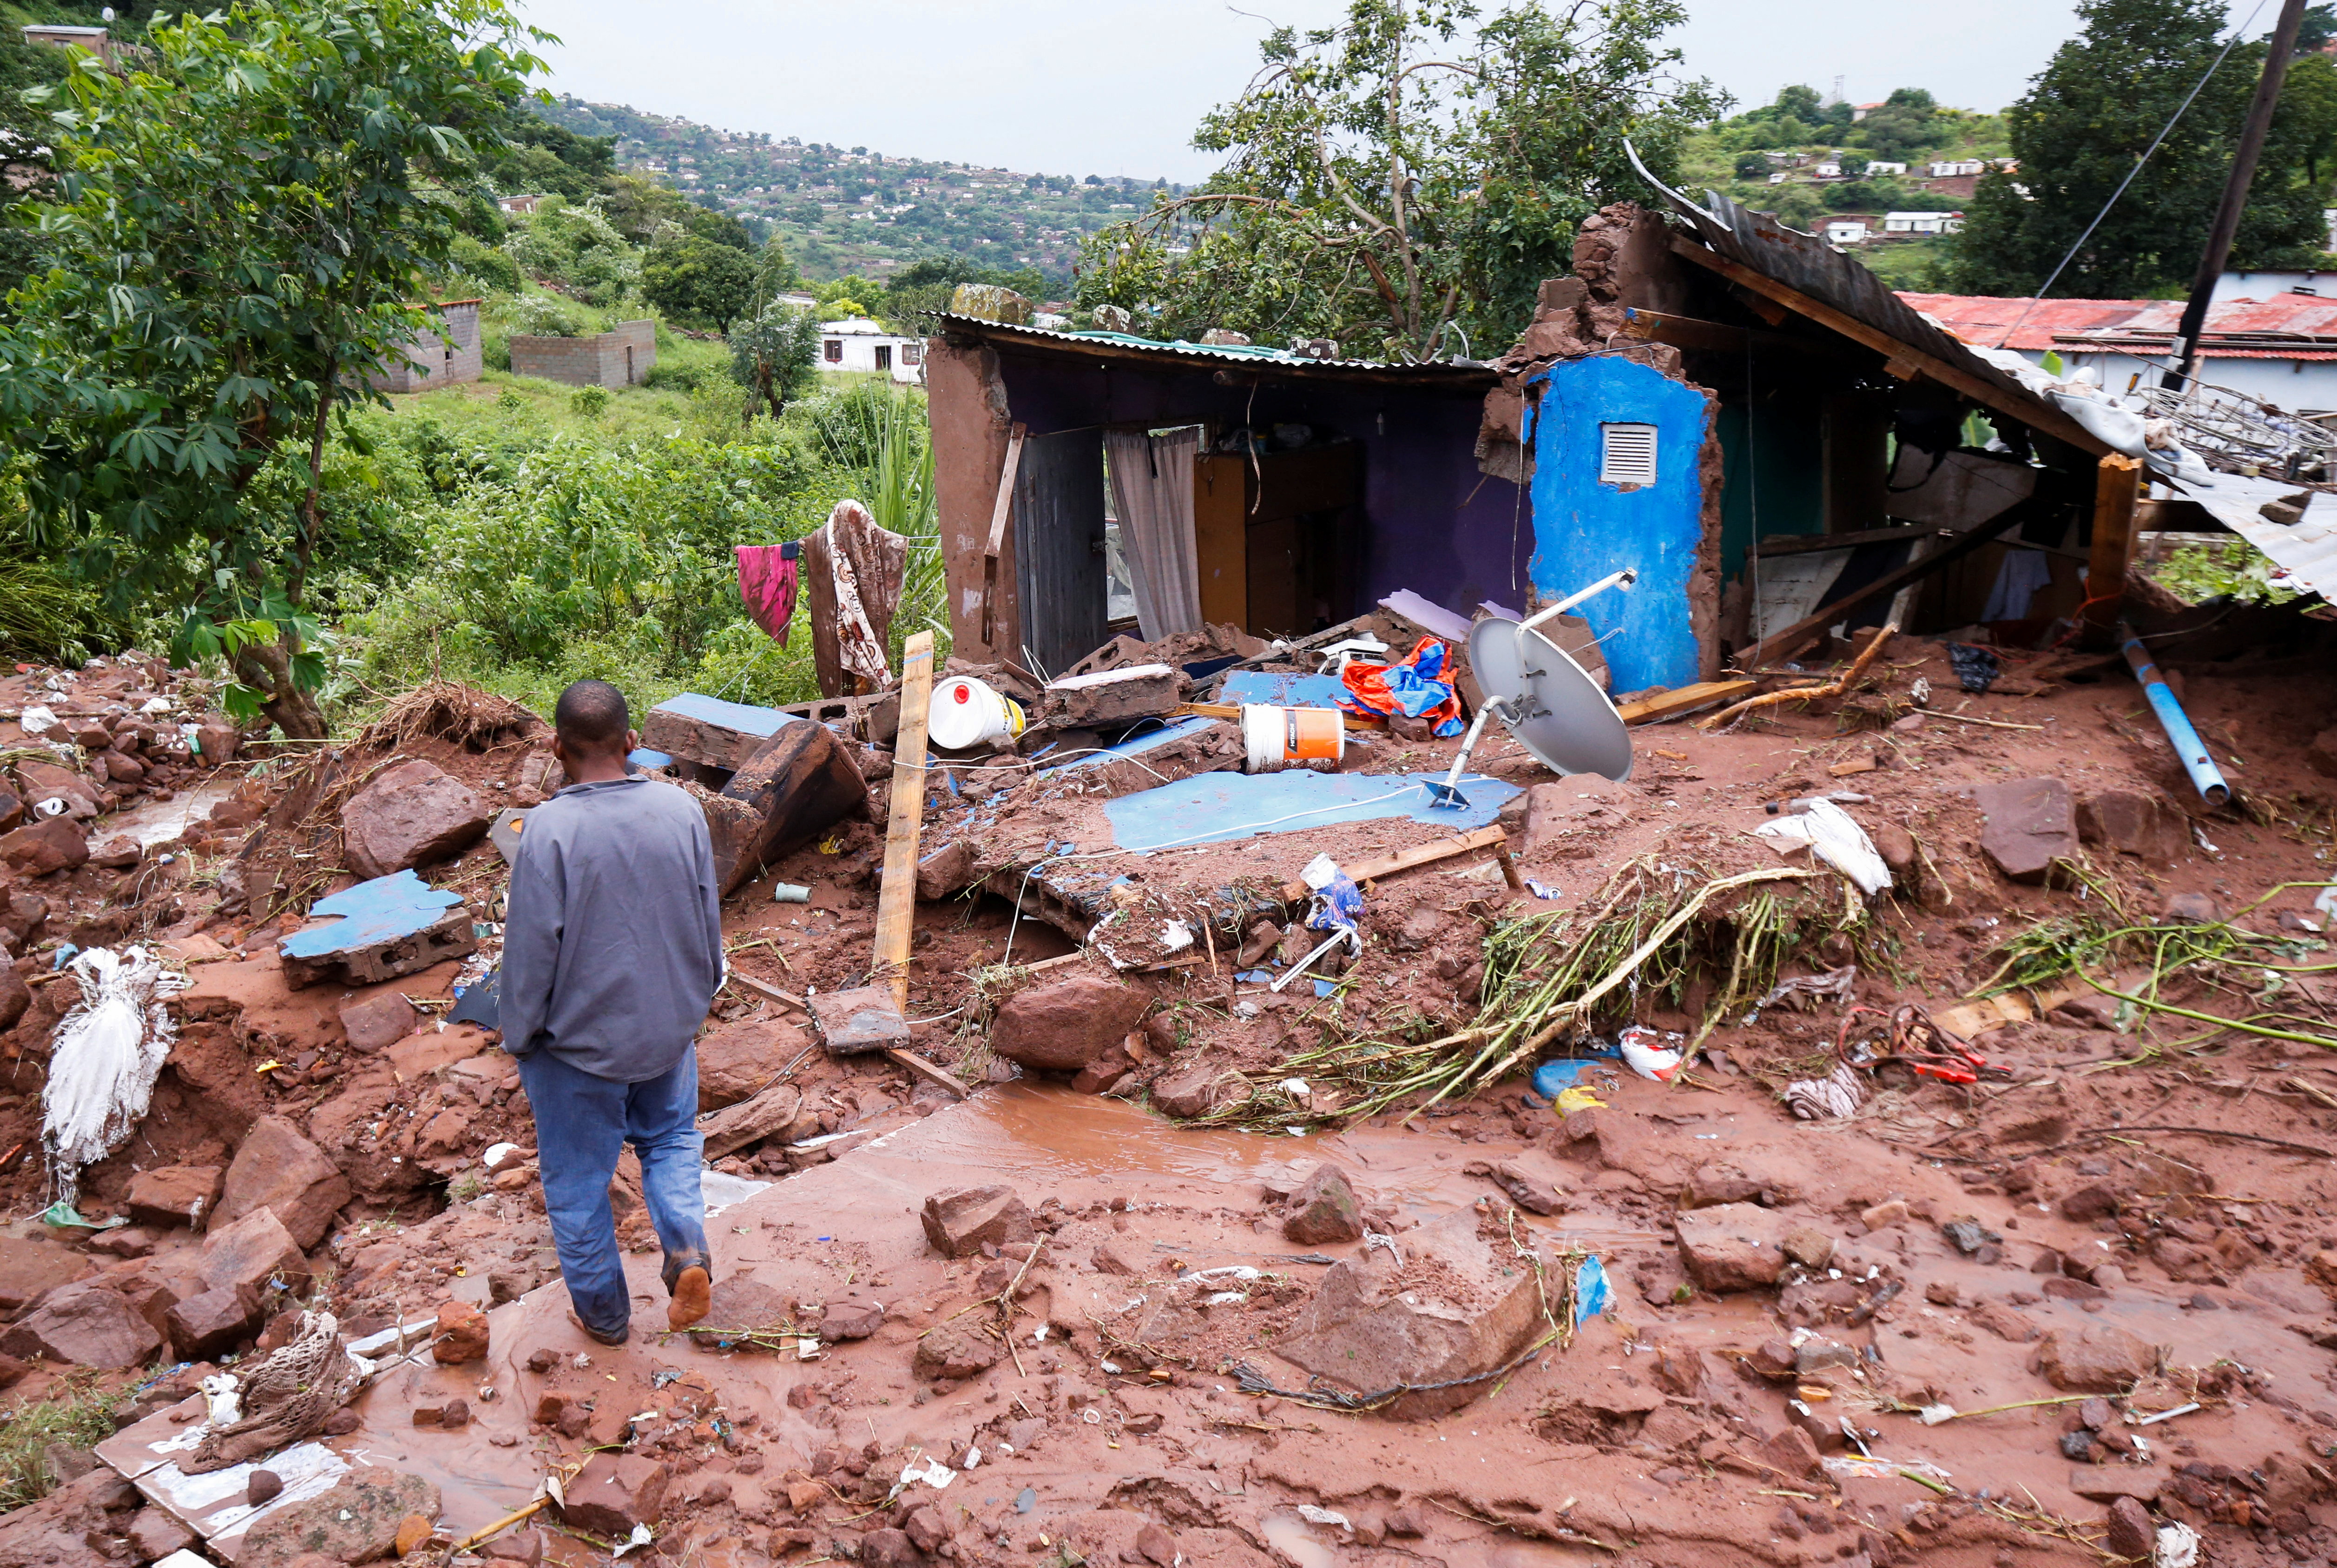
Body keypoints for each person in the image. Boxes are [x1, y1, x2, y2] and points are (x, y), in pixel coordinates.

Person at [497, 679, 723, 1344]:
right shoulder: (681, 812)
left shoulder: (546, 830)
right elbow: (708, 919)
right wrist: (693, 1000)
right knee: (671, 1139)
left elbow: (532, 951)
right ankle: (686, 1252)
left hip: (579, 1048)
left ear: (555, 746)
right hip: (667, 1028)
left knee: (577, 1183)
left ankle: (605, 1317)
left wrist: (521, 1035)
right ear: (631, 743)